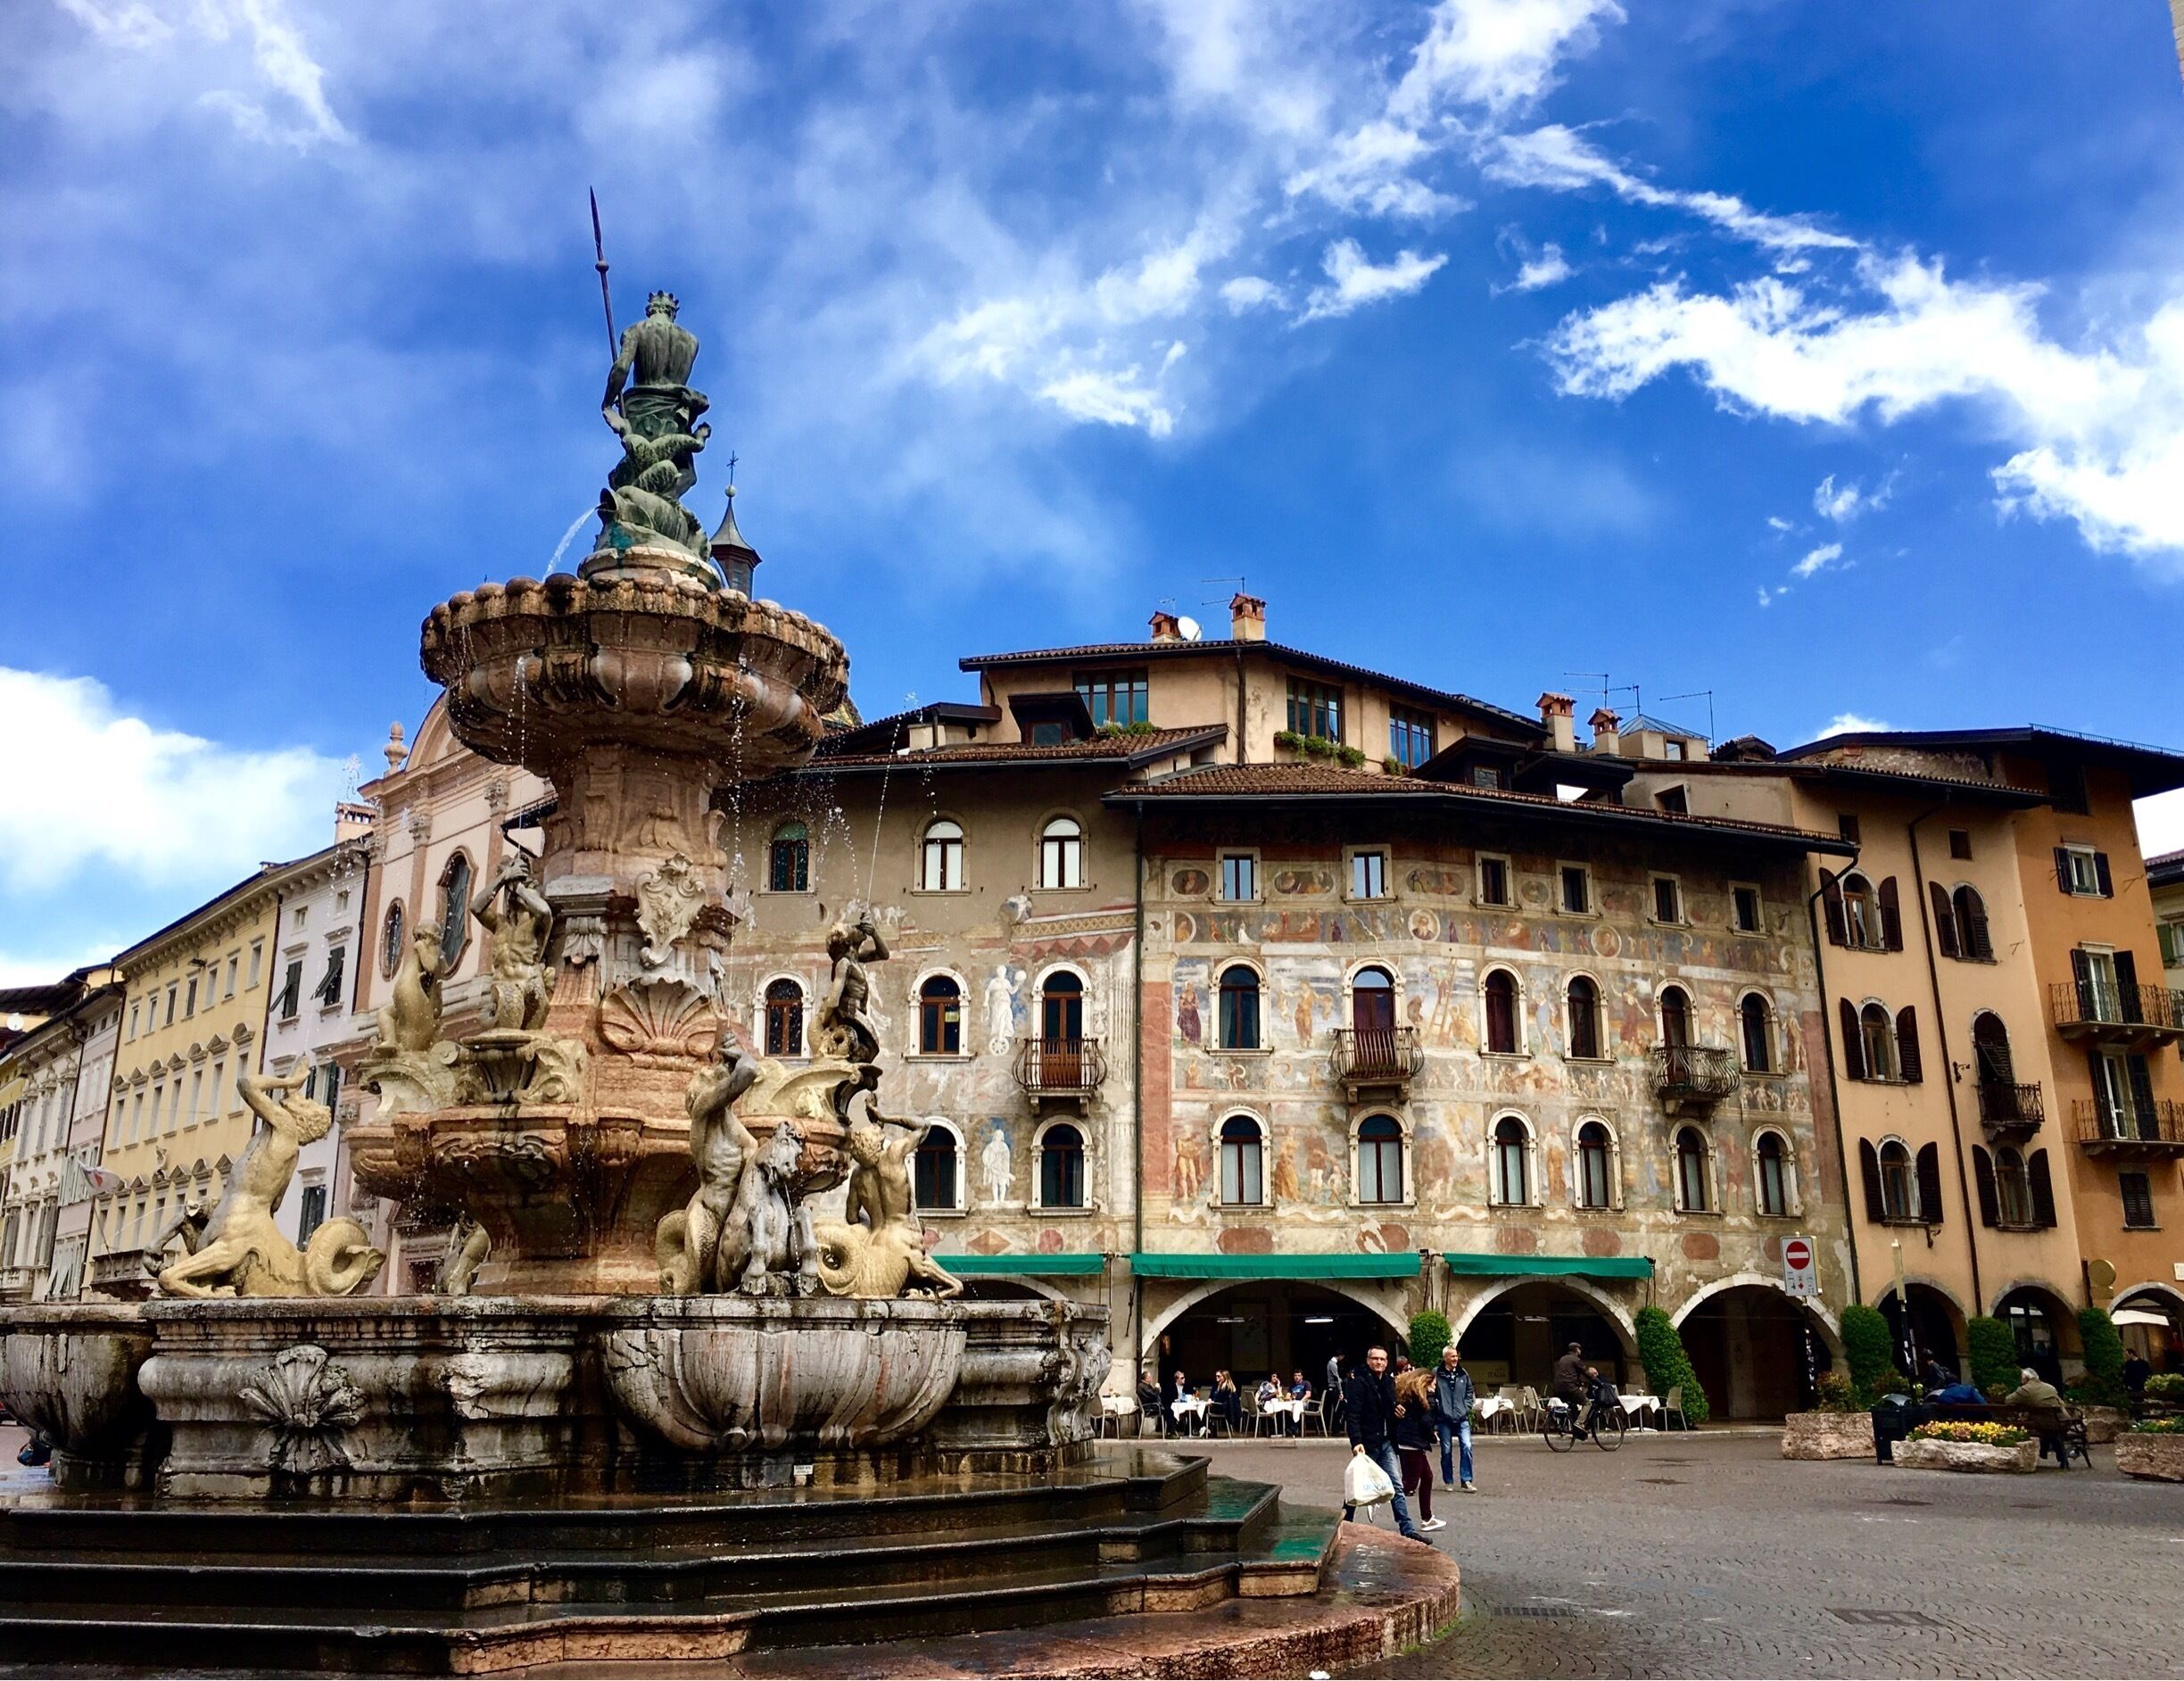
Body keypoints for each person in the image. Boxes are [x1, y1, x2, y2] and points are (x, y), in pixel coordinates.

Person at [1343, 1346, 1423, 1543]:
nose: (1379, 1362)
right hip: (1368, 1443)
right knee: (1356, 1486)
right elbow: (1352, 1415)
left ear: (1387, 1363)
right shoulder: (1359, 1382)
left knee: (1395, 1485)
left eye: (1382, 1359)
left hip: (1386, 1442)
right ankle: (1344, 1524)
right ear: (1368, 1360)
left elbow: (1390, 1411)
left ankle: (1407, 1528)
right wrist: (1356, 1442)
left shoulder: (1388, 1382)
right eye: (1375, 1359)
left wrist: (1398, 1413)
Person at [1394, 1369, 1445, 1533]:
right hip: (1414, 1443)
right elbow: (1426, 1423)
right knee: (1410, 1483)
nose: (1435, 1387)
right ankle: (1379, 1496)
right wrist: (1433, 1437)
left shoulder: (1409, 1396)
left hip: (1405, 1441)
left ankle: (1427, 1518)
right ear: (1427, 1383)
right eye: (1434, 1384)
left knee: (1427, 1477)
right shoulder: (1429, 1400)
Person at [1431, 1344, 1477, 1492]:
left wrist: (1466, 1407)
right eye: (1452, 1356)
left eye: (1456, 1356)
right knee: (1446, 1450)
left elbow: (1469, 1391)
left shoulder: (1463, 1373)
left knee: (1467, 1446)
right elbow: (1431, 1393)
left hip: (1461, 1417)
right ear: (1445, 1358)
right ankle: (1448, 1480)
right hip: (1444, 1418)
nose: (1455, 1359)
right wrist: (1439, 1409)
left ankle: (1466, 1479)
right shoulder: (1437, 1373)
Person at [1552, 1341, 1589, 1407]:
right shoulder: (1576, 1360)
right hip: (1570, 1388)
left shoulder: (1562, 1359)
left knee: (1573, 1405)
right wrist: (1600, 1383)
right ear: (1576, 1349)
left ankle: (1573, 1413)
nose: (1580, 1351)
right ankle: (1581, 1415)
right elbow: (1587, 1374)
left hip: (1559, 1389)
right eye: (1579, 1349)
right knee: (1587, 1403)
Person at [1212, 1370, 1242, 1434]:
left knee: (1206, 1410)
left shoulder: (1224, 1387)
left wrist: (1212, 1401)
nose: (1220, 1378)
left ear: (1225, 1377)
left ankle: (1207, 1429)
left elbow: (1218, 1400)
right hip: (1228, 1410)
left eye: (1221, 1376)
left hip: (1222, 1409)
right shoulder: (1231, 1387)